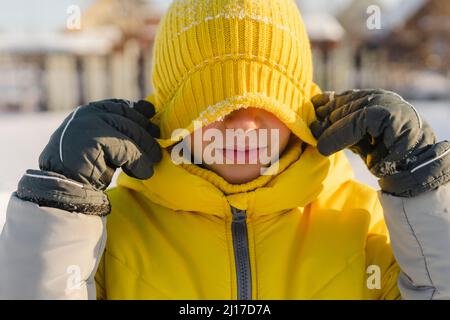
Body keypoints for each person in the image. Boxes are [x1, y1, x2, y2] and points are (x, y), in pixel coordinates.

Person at [1, 0, 449, 300]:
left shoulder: (364, 226)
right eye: (213, 101)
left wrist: (423, 187)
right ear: (173, 111)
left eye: (266, 101)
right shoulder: (106, 234)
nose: (243, 122)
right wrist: (58, 204)